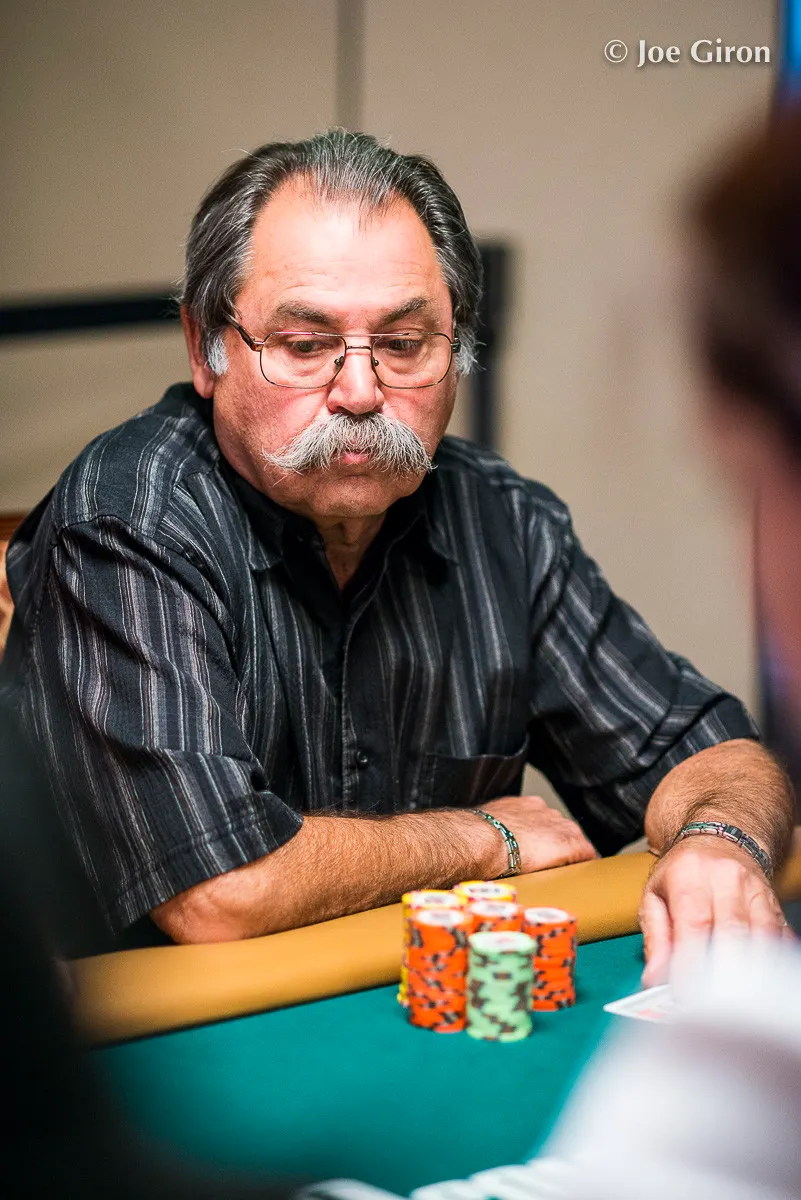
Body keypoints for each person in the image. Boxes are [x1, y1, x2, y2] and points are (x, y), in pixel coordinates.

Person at [0, 131, 792, 972]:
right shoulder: (128, 521)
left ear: (457, 351)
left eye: (404, 343)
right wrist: (480, 838)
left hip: (419, 1010)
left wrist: (720, 838)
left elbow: (712, 753)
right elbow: (219, 888)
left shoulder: (502, 518)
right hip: (154, 1032)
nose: (359, 391)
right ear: (207, 349)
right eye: (304, 345)